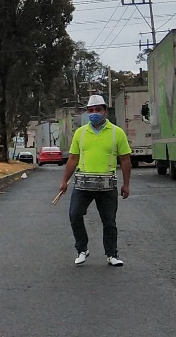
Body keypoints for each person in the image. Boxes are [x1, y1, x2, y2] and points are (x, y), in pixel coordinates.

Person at [57, 96, 132, 267]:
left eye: (98, 110)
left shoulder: (117, 132)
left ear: (105, 111)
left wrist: (126, 184)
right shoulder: (80, 133)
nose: (94, 113)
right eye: (91, 110)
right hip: (83, 183)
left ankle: (112, 254)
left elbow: (126, 160)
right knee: (74, 215)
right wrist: (64, 182)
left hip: (107, 184)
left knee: (109, 221)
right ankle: (82, 250)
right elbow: (73, 159)